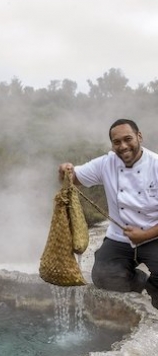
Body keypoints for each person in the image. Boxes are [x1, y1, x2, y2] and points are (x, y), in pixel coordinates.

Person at [58, 118, 158, 308]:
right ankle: (139, 281)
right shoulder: (106, 163)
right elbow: (74, 177)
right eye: (117, 142)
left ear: (139, 137)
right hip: (119, 238)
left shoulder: (156, 165)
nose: (123, 146)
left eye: (128, 139)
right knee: (103, 276)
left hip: (154, 235)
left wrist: (144, 235)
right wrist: (65, 170)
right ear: (112, 145)